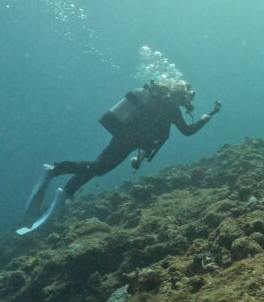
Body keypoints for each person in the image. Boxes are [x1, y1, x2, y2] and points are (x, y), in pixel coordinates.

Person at [19, 79, 220, 235]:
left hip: (126, 139)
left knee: (97, 168)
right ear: (181, 95)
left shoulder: (163, 105)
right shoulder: (170, 110)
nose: (188, 102)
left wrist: (139, 156)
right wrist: (205, 119)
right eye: (187, 97)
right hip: (127, 141)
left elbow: (155, 134)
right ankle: (55, 170)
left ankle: (66, 191)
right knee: (99, 168)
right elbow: (185, 132)